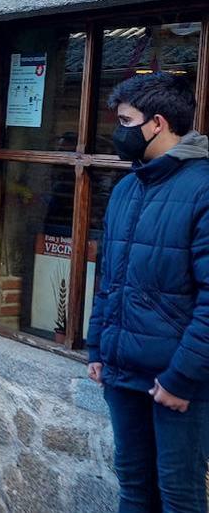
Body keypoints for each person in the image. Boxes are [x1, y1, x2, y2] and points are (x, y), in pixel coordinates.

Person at [87, 72, 209, 513]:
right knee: (134, 488)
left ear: (157, 123)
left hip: (178, 384)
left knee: (180, 497)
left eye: (125, 120)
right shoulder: (125, 189)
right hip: (123, 375)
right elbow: (109, 280)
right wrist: (97, 347)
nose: (118, 132)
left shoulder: (202, 188)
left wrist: (181, 379)